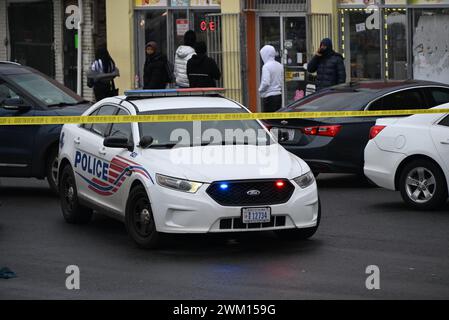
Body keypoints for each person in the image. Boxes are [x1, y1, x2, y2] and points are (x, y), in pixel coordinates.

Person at [259, 45, 283, 113]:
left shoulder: (266, 66)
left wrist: (260, 90)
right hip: (279, 95)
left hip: (269, 97)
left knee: (268, 119)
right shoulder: (280, 65)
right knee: (276, 119)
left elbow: (266, 82)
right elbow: (281, 80)